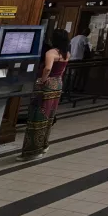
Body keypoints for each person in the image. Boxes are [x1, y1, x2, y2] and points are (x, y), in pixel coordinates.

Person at [19, 28, 70, 159]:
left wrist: (42, 80)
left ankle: (33, 150)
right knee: (49, 115)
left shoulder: (51, 53)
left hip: (46, 85)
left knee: (38, 115)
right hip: (58, 84)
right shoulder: (66, 53)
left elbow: (48, 68)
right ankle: (44, 144)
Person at [68, 28, 92, 93]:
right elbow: (87, 49)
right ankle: (75, 88)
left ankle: (69, 87)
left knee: (72, 74)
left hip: (71, 58)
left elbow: (69, 48)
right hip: (79, 58)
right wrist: (89, 56)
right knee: (78, 74)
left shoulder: (74, 38)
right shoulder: (84, 38)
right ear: (87, 33)